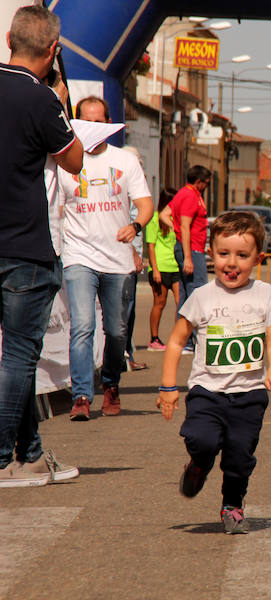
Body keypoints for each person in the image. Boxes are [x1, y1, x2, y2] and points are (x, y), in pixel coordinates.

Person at [157, 211, 271, 534]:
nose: (232, 263)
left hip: (250, 395)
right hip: (207, 391)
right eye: (224, 253)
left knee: (239, 455)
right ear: (210, 253)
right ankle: (199, 465)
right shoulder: (201, 297)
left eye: (242, 256)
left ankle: (233, 503)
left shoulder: (264, 295)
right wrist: (168, 387)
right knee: (201, 439)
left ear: (259, 257)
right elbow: (175, 342)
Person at [0, 5, 84, 486]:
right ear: (54, 50)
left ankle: (30, 454)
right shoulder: (41, 99)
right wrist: (62, 102)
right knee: (18, 356)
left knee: (18, 359)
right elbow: (73, 160)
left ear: (9, 37)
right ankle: (2, 459)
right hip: (26, 247)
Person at [59, 96, 152, 421]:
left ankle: (111, 383)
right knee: (83, 326)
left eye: (100, 121)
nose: (94, 127)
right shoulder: (65, 160)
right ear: (76, 122)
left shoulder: (125, 161)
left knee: (116, 331)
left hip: (117, 261)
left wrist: (136, 226)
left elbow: (145, 204)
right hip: (79, 254)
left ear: (108, 123)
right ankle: (82, 395)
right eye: (88, 120)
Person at [160, 165, 211, 354]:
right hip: (192, 250)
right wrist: (188, 257)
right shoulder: (190, 196)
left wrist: (175, 229)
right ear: (199, 181)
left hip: (187, 248)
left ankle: (182, 341)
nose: (206, 186)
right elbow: (186, 224)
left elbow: (165, 215)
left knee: (185, 296)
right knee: (197, 295)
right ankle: (192, 341)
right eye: (206, 183)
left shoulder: (182, 193)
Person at [122, 145, 148, 372]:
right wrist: (134, 254)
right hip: (126, 258)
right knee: (125, 309)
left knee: (130, 309)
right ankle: (121, 354)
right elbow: (120, 223)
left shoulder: (135, 188)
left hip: (134, 257)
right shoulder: (123, 189)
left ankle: (127, 352)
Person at [146, 188, 180, 351]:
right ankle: (154, 339)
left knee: (182, 303)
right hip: (161, 266)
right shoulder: (154, 219)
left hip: (177, 266)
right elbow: (151, 246)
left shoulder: (176, 218)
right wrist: (156, 270)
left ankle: (179, 338)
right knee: (159, 303)